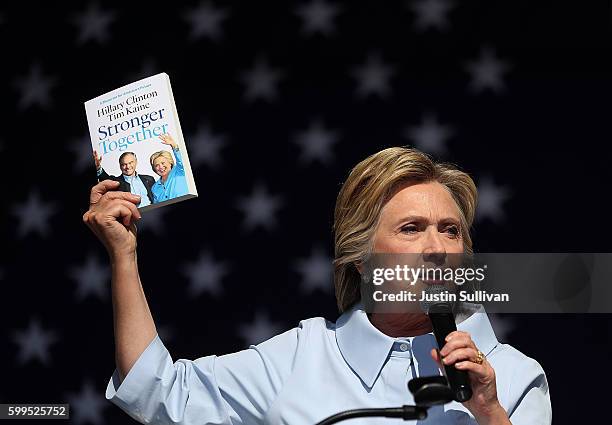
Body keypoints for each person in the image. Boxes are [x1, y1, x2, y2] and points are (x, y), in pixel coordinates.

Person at [82, 147, 551, 424]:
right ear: (362, 259)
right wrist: (124, 257)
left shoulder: (512, 375)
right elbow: (159, 392)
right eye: (411, 228)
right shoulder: (301, 358)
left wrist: (489, 411)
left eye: (451, 230)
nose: (437, 247)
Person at [149, 133, 189, 203]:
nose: (161, 167)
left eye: (163, 163)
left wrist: (174, 145)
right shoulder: (154, 188)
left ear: (170, 163)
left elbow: (182, 160)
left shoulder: (179, 171)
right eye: (157, 165)